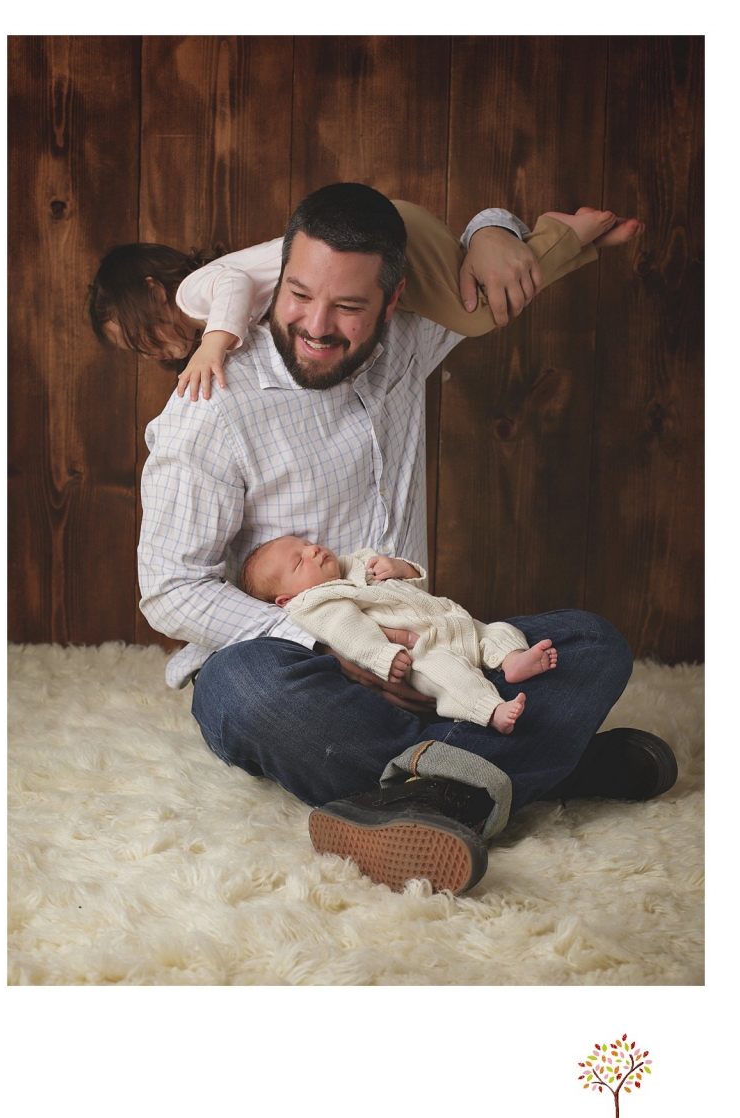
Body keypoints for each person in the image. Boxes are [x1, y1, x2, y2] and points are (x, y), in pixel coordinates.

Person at [134, 182, 676, 897]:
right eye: (298, 295)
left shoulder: (403, 345)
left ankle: (423, 797)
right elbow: (171, 588)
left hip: (428, 662)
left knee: (593, 644)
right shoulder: (210, 408)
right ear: (276, 282)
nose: (316, 326)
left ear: (391, 306)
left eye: (349, 307)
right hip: (305, 671)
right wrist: (327, 642)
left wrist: (492, 230)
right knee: (244, 688)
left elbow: (485, 277)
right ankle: (548, 770)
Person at [90, 201, 641, 400]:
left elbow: (234, 288)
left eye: (142, 334)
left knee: (474, 317)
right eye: (137, 351)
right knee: (480, 306)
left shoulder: (196, 294)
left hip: (378, 235)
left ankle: (552, 231)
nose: (153, 350)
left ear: (152, 290)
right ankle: (573, 240)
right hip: (385, 234)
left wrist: (213, 346)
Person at [240, 535, 558, 735]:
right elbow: (351, 633)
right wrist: (383, 656)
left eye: (307, 544)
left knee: (500, 631)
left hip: (453, 624)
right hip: (421, 653)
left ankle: (514, 661)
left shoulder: (357, 561)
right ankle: (491, 711)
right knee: (450, 676)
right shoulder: (315, 604)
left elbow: (415, 586)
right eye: (300, 562)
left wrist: (402, 569)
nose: (313, 551)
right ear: (286, 600)